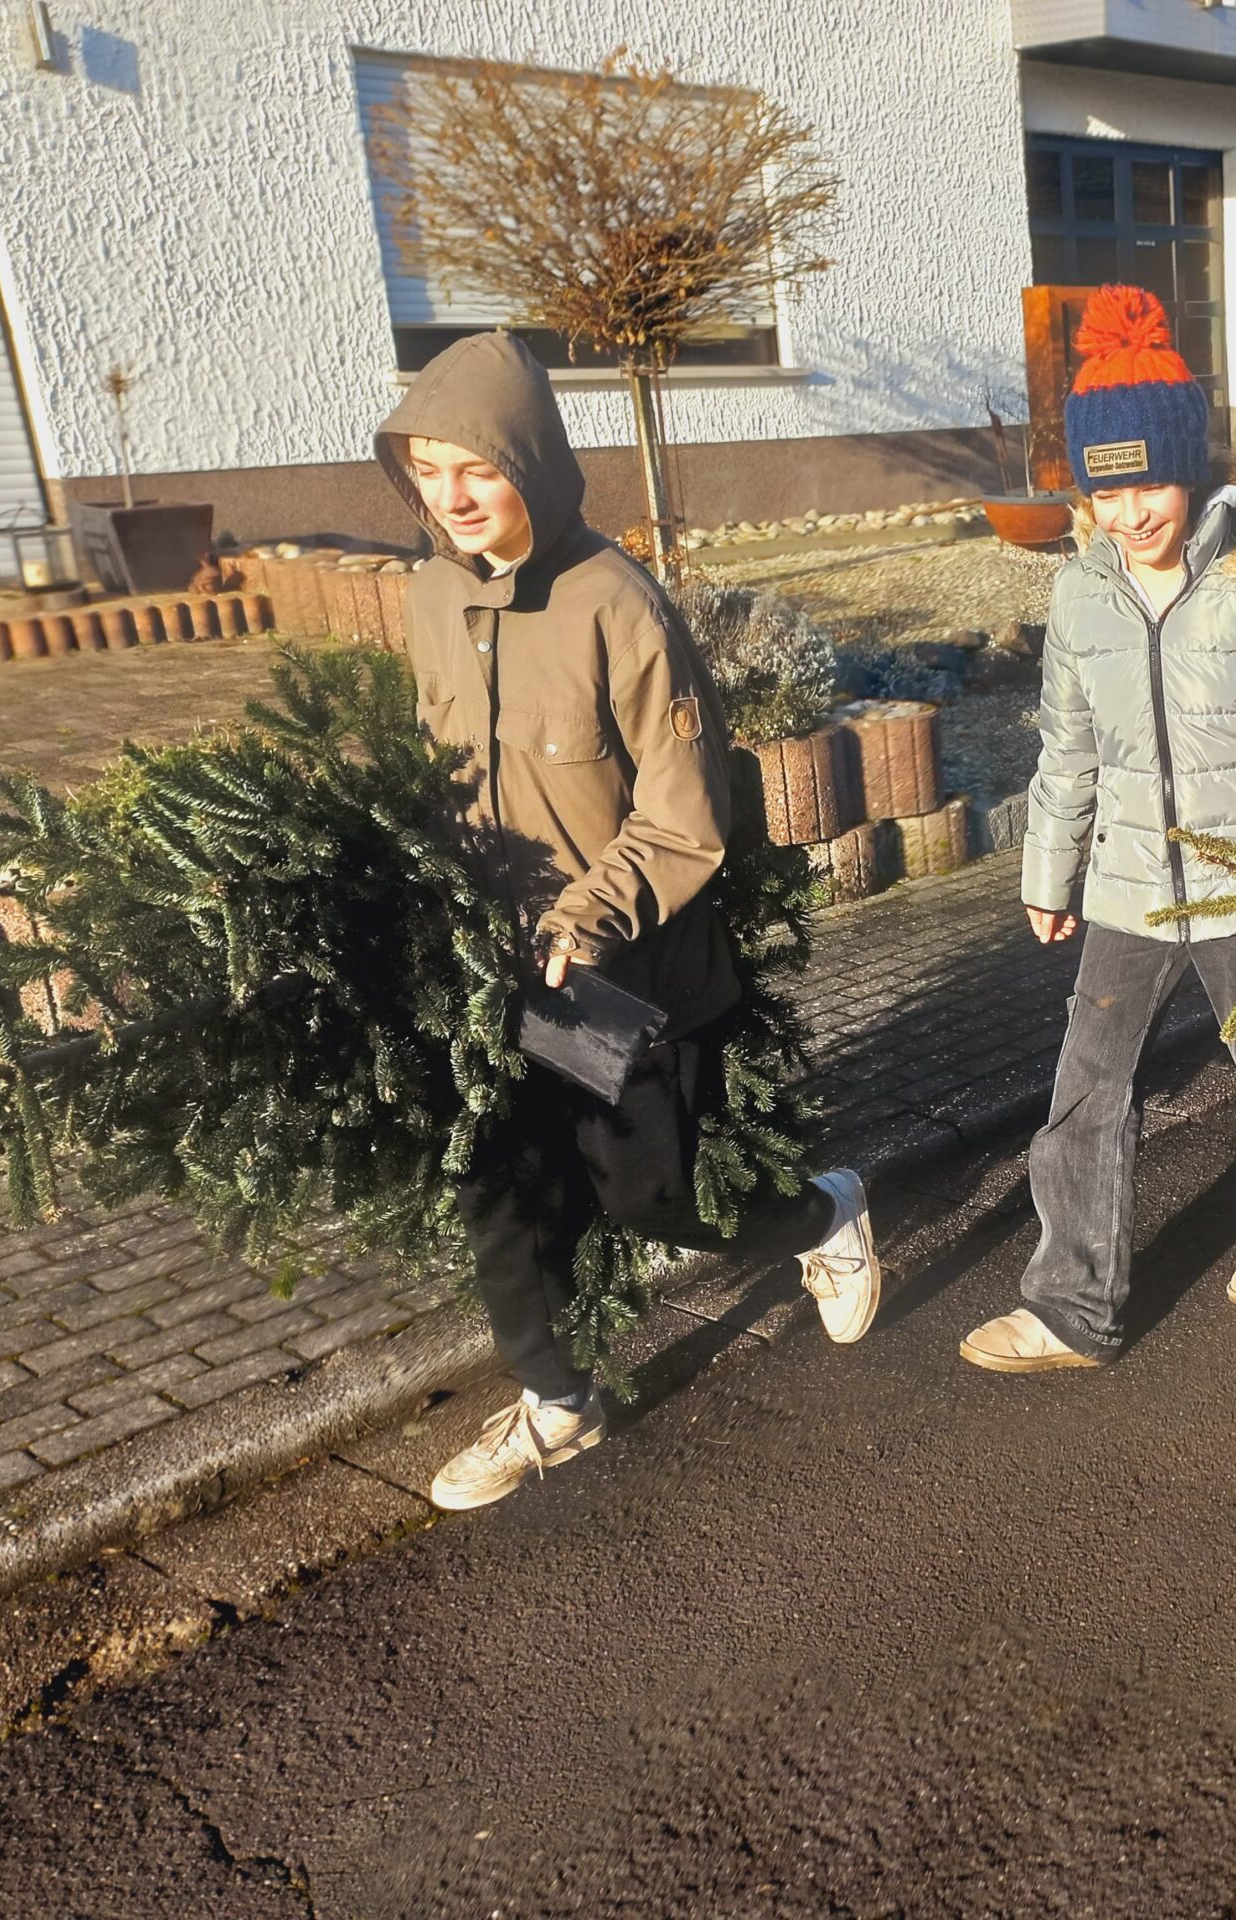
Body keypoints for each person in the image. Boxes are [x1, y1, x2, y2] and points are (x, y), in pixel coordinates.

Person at [375, 333, 881, 1510]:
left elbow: (685, 816)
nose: (451, 497)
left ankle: (825, 1214)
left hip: (612, 972)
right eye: (429, 471)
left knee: (649, 1195)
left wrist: (586, 918)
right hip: (492, 968)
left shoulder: (618, 603)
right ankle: (557, 1405)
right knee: (497, 1191)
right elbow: (434, 771)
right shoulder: (432, 594)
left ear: (533, 467)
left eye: (477, 471)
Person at [960, 285, 1236, 1373]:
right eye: (1106, 491)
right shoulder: (1080, 596)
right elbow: (1067, 746)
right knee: (1085, 1087)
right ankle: (1074, 1305)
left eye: (1148, 483)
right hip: (1127, 882)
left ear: (1192, 472)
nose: (1129, 514)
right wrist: (1049, 870)